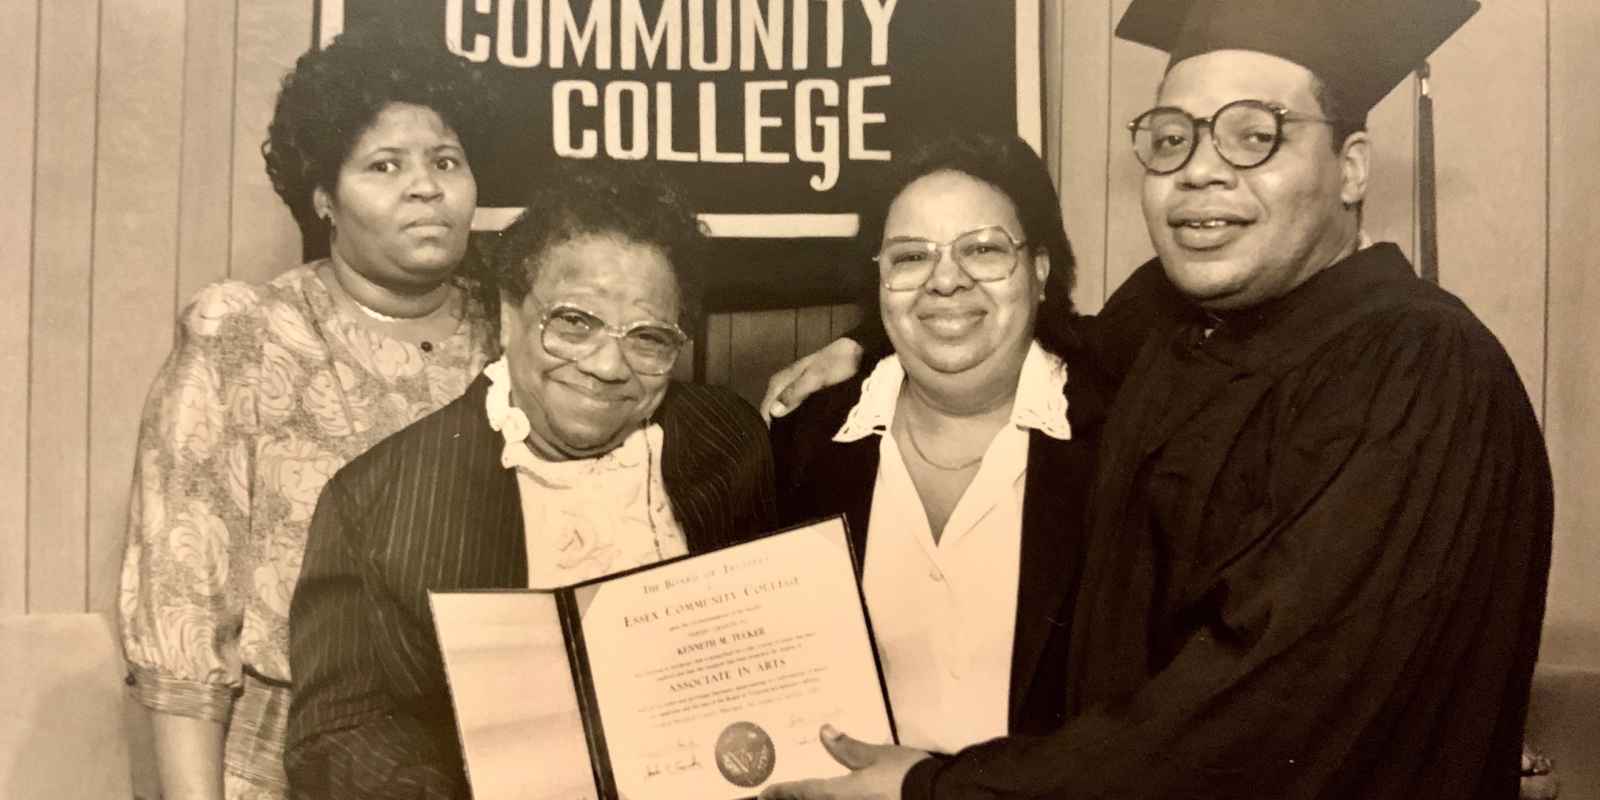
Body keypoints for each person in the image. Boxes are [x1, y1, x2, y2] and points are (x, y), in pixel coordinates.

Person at [760, 0, 1554, 798]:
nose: (1200, 169)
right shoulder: (1181, 324)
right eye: (1172, 138)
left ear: (1351, 168)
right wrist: (864, 343)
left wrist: (931, 791)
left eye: (1255, 135)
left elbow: (1258, 719)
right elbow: (1001, 329)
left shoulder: (1417, 370)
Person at [283, 161, 779, 799]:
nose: (607, 366)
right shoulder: (374, 502)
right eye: (575, 323)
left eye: (649, 338)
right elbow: (336, 734)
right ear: (510, 314)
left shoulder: (728, 443)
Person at [117, 28, 498, 800]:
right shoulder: (247, 335)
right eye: (384, 165)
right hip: (283, 767)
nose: (425, 187)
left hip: (489, 757)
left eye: (445, 161)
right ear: (323, 196)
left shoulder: (518, 338)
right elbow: (183, 601)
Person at [771, 131, 1109, 755]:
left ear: (1039, 272)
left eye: (982, 250)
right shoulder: (804, 439)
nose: (944, 281)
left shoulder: (1123, 435)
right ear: (878, 282)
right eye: (910, 256)